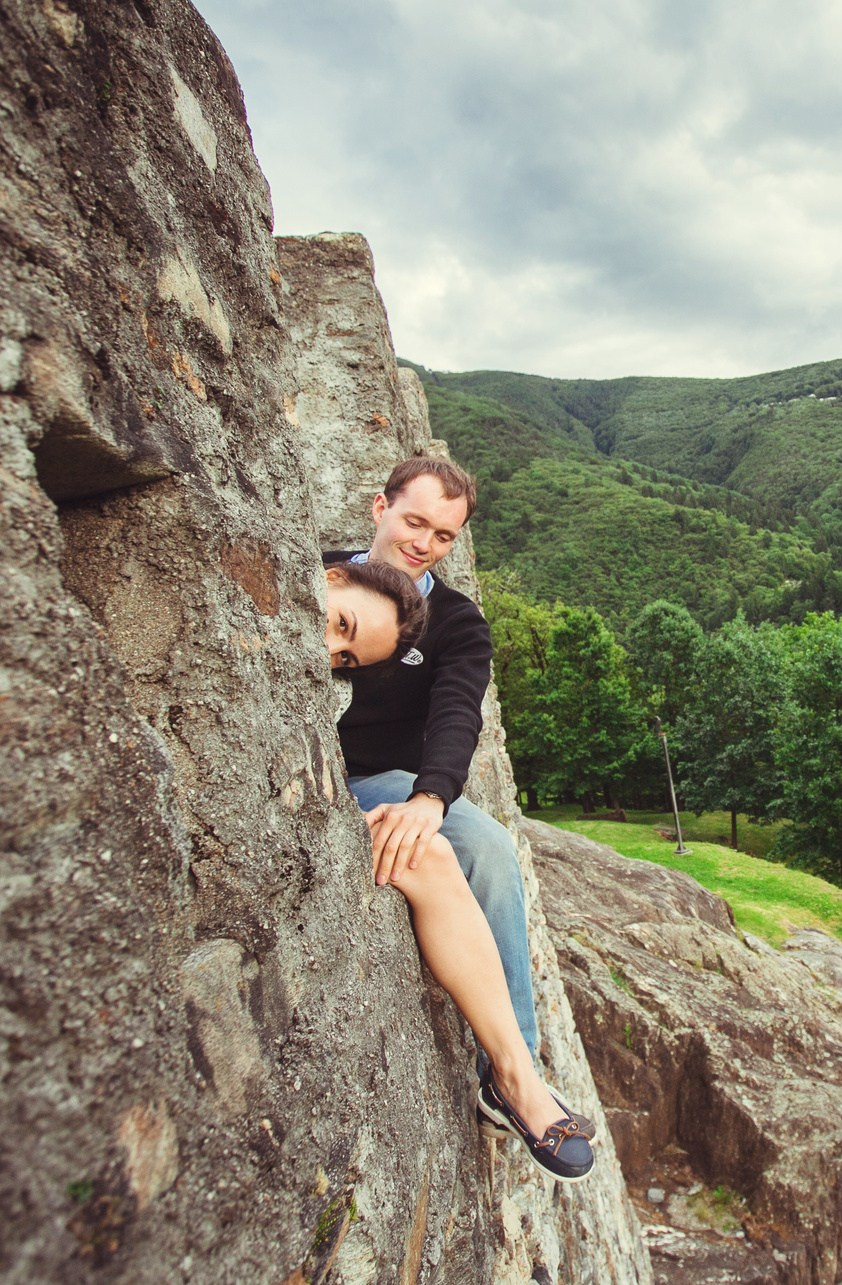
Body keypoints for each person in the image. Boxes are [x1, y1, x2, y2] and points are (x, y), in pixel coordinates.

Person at [323, 456, 592, 1181]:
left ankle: (510, 1076)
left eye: (444, 535)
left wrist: (429, 799)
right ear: (379, 506)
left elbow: (455, 717)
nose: (424, 542)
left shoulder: (458, 621)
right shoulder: (319, 576)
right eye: (414, 522)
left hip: (392, 777)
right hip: (311, 767)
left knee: (489, 850)